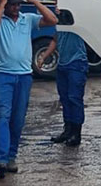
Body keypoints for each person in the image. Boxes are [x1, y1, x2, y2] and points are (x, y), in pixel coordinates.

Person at [0, 0, 58, 179]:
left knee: (17, 120)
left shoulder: (28, 19)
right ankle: (0, 158)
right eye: (12, 4)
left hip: (24, 76)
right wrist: (1, 4)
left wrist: (33, 0)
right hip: (3, 76)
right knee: (2, 116)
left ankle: (10, 157)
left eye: (18, 4)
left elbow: (52, 20)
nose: (16, 8)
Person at [37, 9, 88, 147]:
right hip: (63, 64)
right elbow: (55, 39)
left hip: (76, 63)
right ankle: (68, 130)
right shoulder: (58, 22)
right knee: (65, 98)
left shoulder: (75, 17)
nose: (56, 7)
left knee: (74, 98)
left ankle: (76, 133)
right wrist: (44, 56)